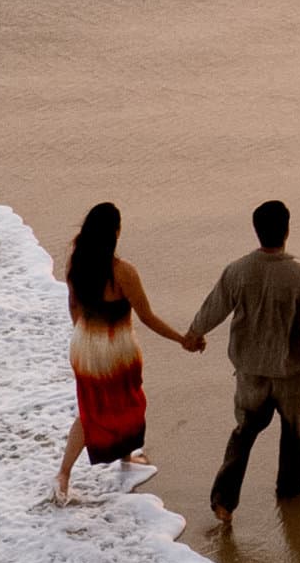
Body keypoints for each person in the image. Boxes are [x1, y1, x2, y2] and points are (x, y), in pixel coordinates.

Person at [186, 200, 300, 522]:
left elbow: (214, 308)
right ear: (287, 230)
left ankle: (224, 502)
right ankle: (289, 496)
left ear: (257, 232)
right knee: (294, 437)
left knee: (244, 433)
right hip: (291, 374)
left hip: (250, 373)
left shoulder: (237, 271)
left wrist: (194, 333)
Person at [53, 202, 200, 504]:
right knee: (129, 403)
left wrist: (84, 337)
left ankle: (64, 474)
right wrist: (182, 339)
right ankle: (126, 460)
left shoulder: (75, 265)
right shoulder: (122, 272)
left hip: (84, 347)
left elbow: (72, 306)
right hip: (117, 351)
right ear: (115, 232)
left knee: (89, 412)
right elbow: (146, 317)